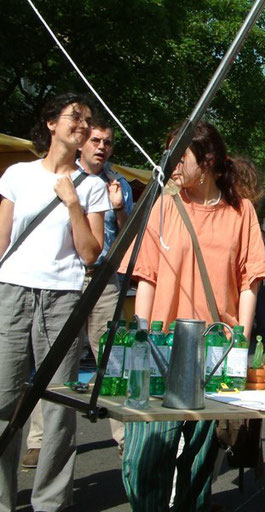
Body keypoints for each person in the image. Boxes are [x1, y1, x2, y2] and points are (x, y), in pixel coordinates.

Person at [120, 121, 265, 511]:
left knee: (201, 458)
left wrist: (240, 340)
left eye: (178, 155)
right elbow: (146, 276)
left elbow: (250, 281)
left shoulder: (241, 212)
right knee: (144, 456)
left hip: (214, 350)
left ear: (206, 161)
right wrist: (141, 337)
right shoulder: (164, 206)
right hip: (161, 348)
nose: (169, 163)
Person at [0, 93, 109, 512]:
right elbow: (3, 237)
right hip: (12, 290)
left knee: (59, 404)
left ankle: (50, 503)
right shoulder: (18, 174)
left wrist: (73, 202)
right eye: (74, 117)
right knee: (4, 399)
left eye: (87, 120)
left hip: (63, 298)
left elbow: (89, 253)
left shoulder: (93, 186)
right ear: (51, 123)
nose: (82, 125)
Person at [21, 116, 133, 468]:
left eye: (109, 142)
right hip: (66, 279)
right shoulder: (64, 179)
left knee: (113, 360)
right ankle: (40, 441)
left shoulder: (120, 184)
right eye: (97, 140)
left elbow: (131, 235)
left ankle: (127, 438)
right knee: (54, 362)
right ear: (82, 143)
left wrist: (119, 207)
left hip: (104, 281)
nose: (102, 147)